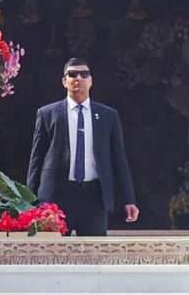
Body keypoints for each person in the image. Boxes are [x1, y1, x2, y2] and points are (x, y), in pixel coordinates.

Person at [25, 57, 138, 237]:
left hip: (94, 197)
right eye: (73, 74)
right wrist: (28, 201)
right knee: (54, 251)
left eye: (84, 74)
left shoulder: (108, 116)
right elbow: (36, 159)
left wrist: (129, 199)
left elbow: (119, 159)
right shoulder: (47, 114)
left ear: (91, 81)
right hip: (57, 196)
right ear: (64, 81)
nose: (78, 78)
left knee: (94, 251)